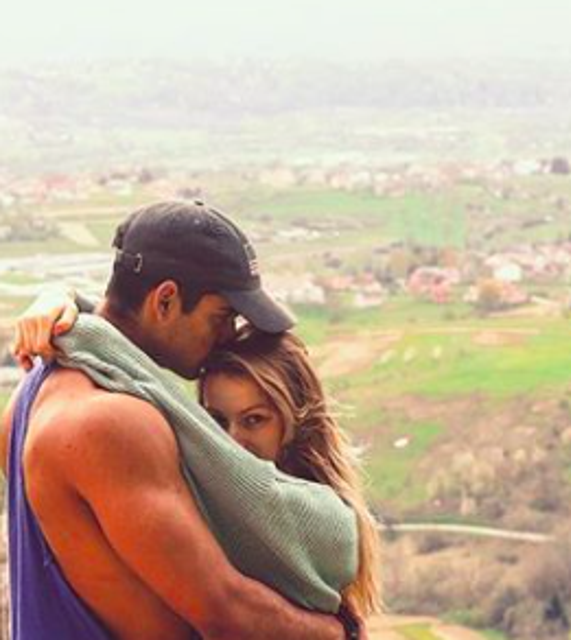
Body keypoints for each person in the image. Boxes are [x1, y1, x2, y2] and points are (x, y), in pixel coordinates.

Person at [1, 200, 366, 640]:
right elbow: (223, 611)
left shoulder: (30, 395)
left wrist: (67, 298)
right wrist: (337, 633)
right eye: (221, 317)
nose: (227, 336)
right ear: (166, 300)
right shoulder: (111, 423)